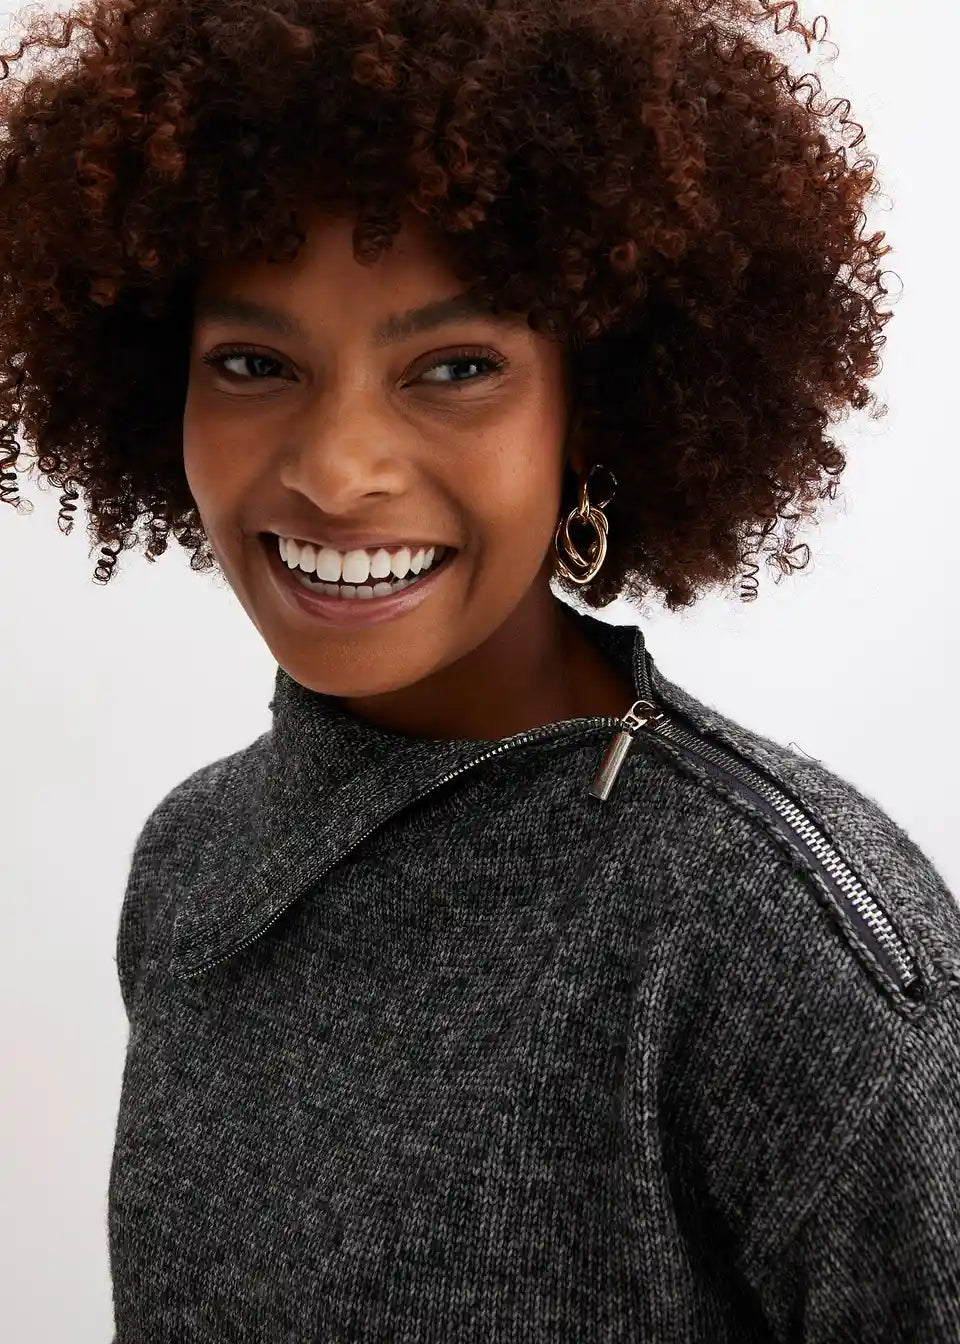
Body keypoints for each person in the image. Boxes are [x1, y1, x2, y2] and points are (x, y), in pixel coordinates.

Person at [1, 1, 957, 1340]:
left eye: (455, 368)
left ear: (593, 410)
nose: (336, 470)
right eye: (255, 363)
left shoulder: (774, 942)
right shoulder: (197, 860)